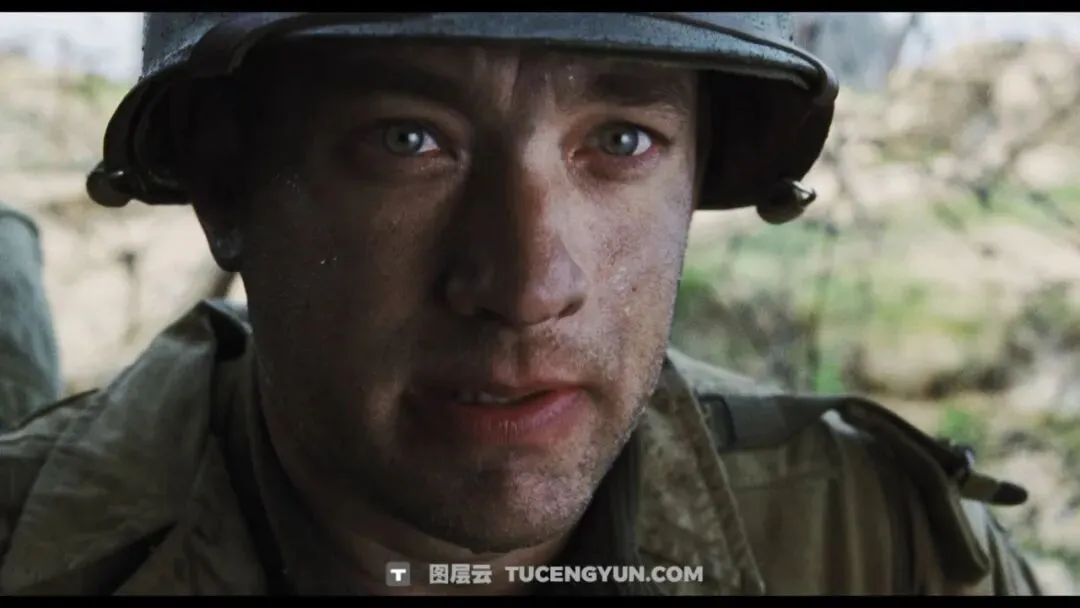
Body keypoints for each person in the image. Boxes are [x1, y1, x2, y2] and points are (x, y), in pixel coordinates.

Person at [0, 12, 1042, 595]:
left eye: (621, 140)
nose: (528, 287)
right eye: (408, 140)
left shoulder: (880, 548)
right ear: (227, 189)